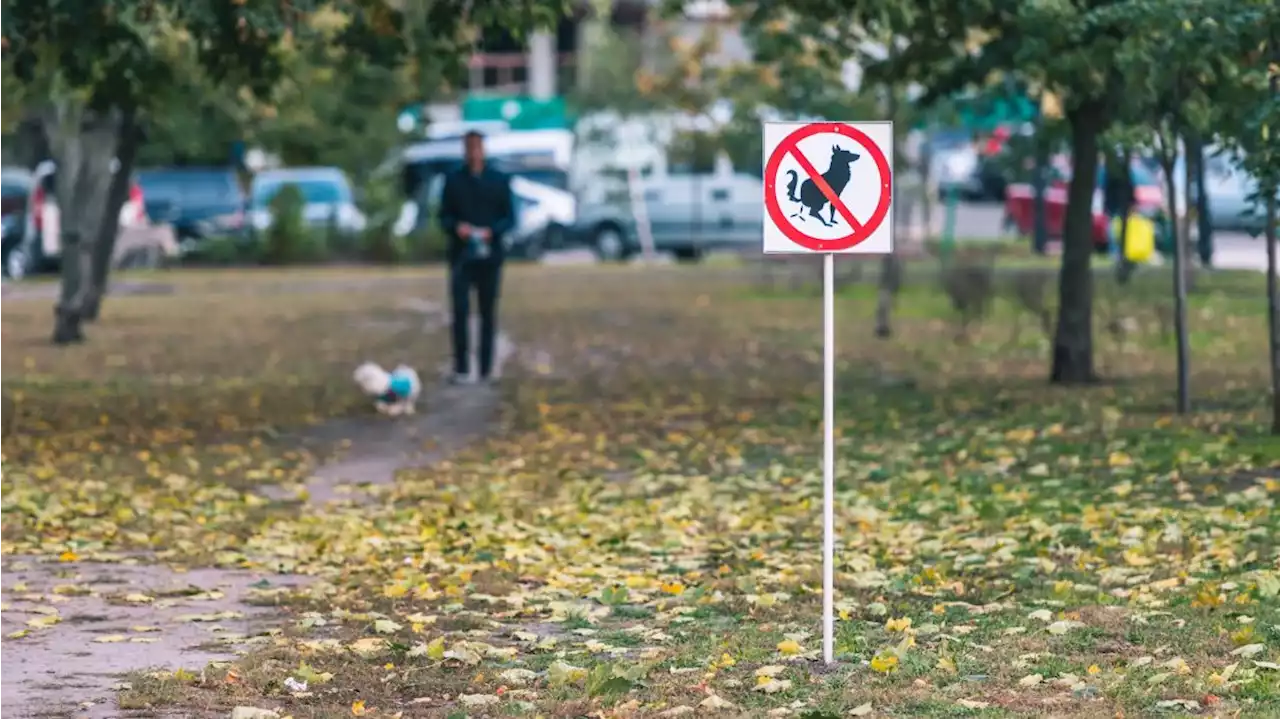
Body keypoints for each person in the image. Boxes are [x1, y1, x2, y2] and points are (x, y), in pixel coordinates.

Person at [438, 131, 515, 385]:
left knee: (487, 312)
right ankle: (461, 367)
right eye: (469, 147)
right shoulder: (453, 180)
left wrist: (492, 232)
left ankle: (485, 368)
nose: (473, 152)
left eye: (477, 147)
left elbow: (510, 218)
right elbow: (443, 216)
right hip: (461, 256)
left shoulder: (499, 179)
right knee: (460, 311)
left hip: (490, 256)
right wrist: (458, 228)